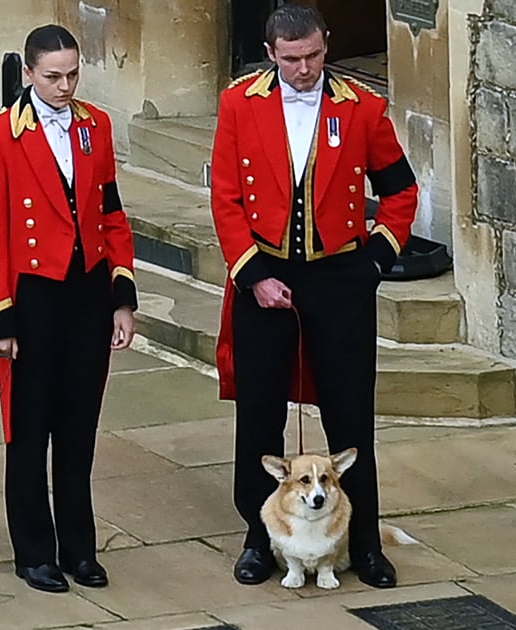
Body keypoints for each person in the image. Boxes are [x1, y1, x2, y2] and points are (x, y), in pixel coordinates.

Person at [210, 4, 419, 589]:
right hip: (264, 275)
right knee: (260, 417)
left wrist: (375, 259)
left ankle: (366, 543)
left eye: (315, 56)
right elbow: (225, 198)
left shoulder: (362, 107)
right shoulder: (238, 104)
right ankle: (260, 539)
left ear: (326, 45)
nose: (305, 70)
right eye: (292, 59)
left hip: (338, 280)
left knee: (351, 418)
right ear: (272, 53)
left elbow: (401, 189)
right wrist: (251, 274)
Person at [0, 24, 138, 594]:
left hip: (87, 292)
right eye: (52, 77)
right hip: (32, 296)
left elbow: (111, 212)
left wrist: (122, 297)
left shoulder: (97, 126)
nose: (65, 87)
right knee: (30, 430)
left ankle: (79, 549)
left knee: (78, 428)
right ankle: (34, 552)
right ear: (30, 73)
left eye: (72, 74)